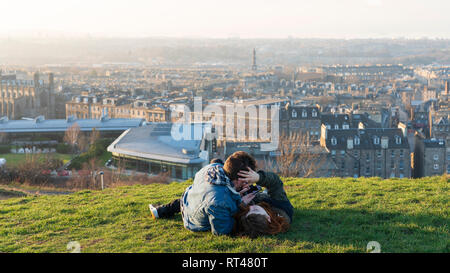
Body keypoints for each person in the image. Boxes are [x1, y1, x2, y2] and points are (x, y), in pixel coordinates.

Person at [232, 167, 293, 238]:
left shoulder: (247, 221)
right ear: (268, 218)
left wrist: (239, 200)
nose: (251, 207)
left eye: (247, 211)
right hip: (265, 195)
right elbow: (275, 183)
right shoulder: (281, 206)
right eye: (255, 210)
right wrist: (258, 178)